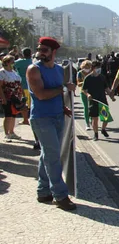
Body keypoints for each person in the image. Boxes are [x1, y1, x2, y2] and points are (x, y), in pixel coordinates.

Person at [26, 37, 77, 210]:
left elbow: (58, 92)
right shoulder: (33, 70)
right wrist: (64, 89)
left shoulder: (58, 70)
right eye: (39, 49)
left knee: (47, 155)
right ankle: (60, 195)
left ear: (54, 52)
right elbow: (41, 95)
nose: (40, 52)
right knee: (53, 157)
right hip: (41, 118)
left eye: (45, 50)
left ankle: (43, 191)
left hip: (57, 116)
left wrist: (63, 107)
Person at [82, 61, 115, 141]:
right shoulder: (88, 78)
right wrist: (88, 95)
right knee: (95, 119)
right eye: (97, 68)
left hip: (102, 100)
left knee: (106, 118)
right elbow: (84, 90)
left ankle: (103, 129)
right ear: (93, 68)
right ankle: (96, 134)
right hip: (93, 101)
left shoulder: (102, 77)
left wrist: (111, 95)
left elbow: (106, 88)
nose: (99, 69)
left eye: (99, 68)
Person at [0, 55, 25, 141]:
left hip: (16, 96)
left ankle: (12, 132)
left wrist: (22, 94)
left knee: (14, 115)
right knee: (8, 115)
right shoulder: (2, 73)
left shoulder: (14, 72)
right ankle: (6, 134)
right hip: (7, 97)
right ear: (7, 62)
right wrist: (3, 98)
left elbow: (19, 84)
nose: (14, 63)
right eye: (12, 61)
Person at [13, 47, 33, 125]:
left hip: (21, 85)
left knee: (22, 103)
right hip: (31, 86)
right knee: (31, 104)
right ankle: (30, 118)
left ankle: (25, 120)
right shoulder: (33, 62)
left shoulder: (19, 62)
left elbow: (11, 65)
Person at [76, 60, 93, 130]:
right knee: (86, 107)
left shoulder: (92, 73)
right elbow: (78, 83)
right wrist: (85, 81)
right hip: (83, 92)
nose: (87, 68)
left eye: (89, 67)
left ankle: (92, 121)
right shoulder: (79, 73)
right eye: (86, 67)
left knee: (91, 107)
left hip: (92, 92)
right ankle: (87, 123)